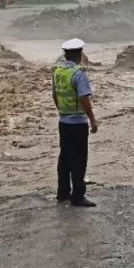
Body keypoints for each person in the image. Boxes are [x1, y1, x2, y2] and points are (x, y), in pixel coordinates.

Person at [53, 38, 99, 207]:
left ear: (65, 55)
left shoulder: (58, 72)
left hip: (63, 121)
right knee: (79, 160)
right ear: (79, 54)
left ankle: (62, 193)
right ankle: (78, 196)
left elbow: (55, 95)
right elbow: (84, 98)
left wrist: (62, 112)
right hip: (78, 123)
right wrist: (92, 120)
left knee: (64, 158)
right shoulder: (79, 73)